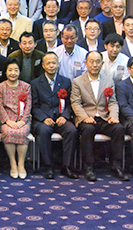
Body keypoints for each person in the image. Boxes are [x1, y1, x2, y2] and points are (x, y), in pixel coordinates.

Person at [71, 51, 128, 182]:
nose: (94, 65)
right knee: (88, 129)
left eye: (98, 62)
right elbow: (75, 103)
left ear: (102, 64)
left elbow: (112, 102)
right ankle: (88, 167)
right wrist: (84, 117)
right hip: (87, 117)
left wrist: (113, 116)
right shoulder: (77, 81)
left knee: (118, 128)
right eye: (91, 61)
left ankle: (116, 166)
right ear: (85, 63)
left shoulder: (108, 80)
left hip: (104, 117)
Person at [30, 52, 79, 180]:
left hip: (61, 117)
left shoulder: (66, 81)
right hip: (43, 119)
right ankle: (48, 166)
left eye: (54, 63)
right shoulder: (35, 83)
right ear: (43, 65)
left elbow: (69, 103)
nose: (51, 66)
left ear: (58, 64)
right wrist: (44, 118)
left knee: (72, 130)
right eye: (48, 63)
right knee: (43, 131)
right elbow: (34, 106)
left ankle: (67, 166)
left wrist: (65, 116)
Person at [0, 58, 31, 179]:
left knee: (22, 132)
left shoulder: (26, 86)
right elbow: (0, 106)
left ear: (20, 71)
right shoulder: (0, 87)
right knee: (8, 132)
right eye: (10, 70)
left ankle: (21, 164)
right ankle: (13, 163)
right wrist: (7, 121)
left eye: (16, 70)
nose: (13, 73)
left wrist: (22, 121)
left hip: (23, 119)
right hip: (7, 120)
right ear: (5, 72)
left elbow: (28, 106)